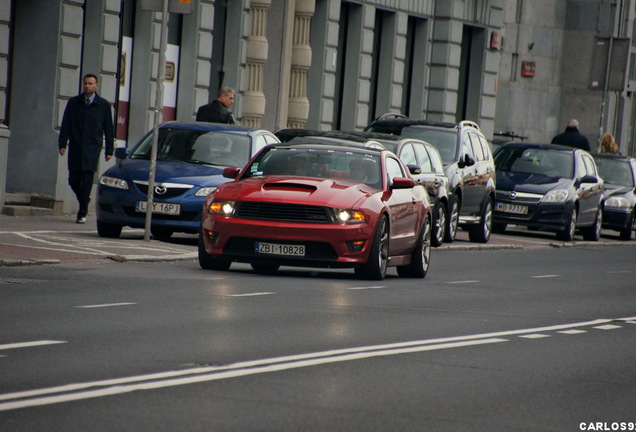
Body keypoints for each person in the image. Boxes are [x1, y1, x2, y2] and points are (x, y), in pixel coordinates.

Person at [58, 73, 114, 224]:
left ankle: (82, 212)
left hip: (92, 148)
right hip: (76, 146)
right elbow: (66, 124)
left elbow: (108, 128)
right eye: (86, 83)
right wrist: (62, 144)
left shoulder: (103, 105)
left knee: (87, 178)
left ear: (96, 86)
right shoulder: (74, 103)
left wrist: (109, 150)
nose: (87, 86)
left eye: (90, 84)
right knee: (73, 180)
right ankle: (84, 199)